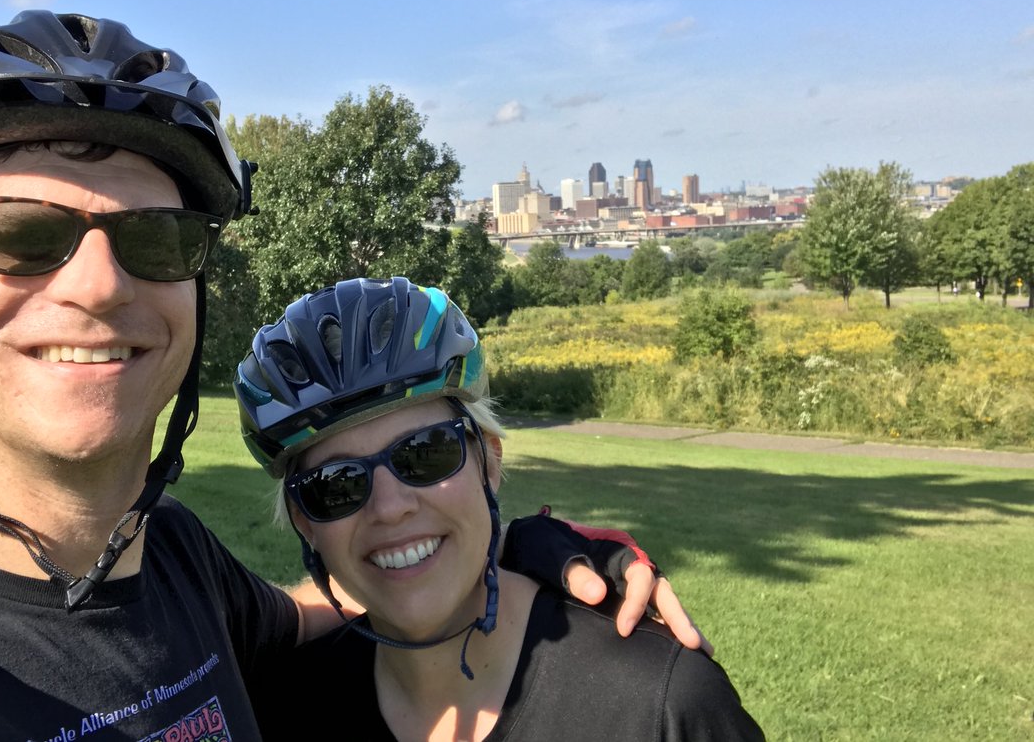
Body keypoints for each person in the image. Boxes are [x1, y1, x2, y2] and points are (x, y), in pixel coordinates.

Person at [0, 11, 700, 740]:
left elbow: (352, 596)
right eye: (19, 233)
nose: (97, 283)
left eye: (156, 238)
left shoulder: (176, 561)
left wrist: (501, 556)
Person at [237, 278, 764, 741]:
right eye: (336, 484)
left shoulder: (662, 705)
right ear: (305, 522)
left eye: (425, 453)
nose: (390, 507)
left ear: (488, 461)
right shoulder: (278, 710)